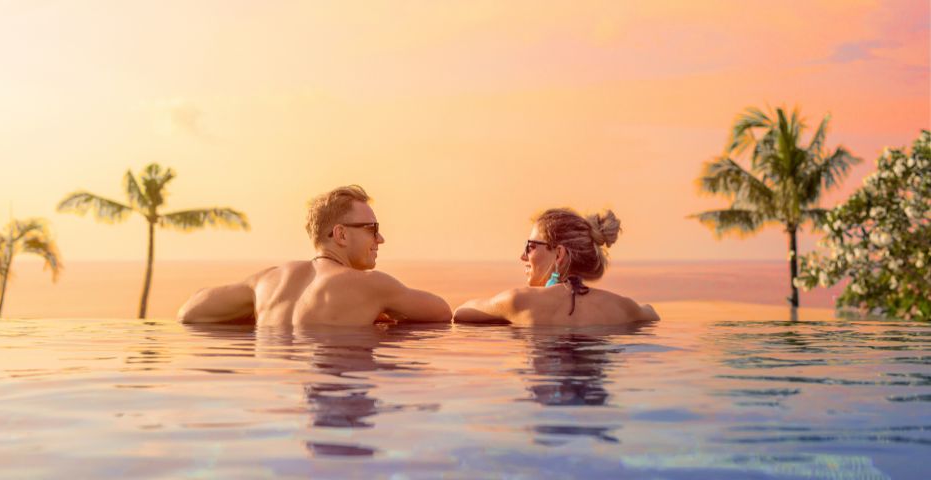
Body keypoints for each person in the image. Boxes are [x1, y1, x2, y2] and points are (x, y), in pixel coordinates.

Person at [178, 185, 452, 326]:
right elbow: (442, 312)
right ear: (341, 235)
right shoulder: (371, 284)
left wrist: (255, 311)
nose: (380, 239)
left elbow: (189, 312)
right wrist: (379, 306)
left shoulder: (267, 281)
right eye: (372, 229)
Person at [453, 208, 659, 325]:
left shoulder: (519, 301)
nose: (523, 256)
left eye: (530, 247)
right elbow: (651, 313)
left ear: (559, 254)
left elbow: (460, 313)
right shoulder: (622, 307)